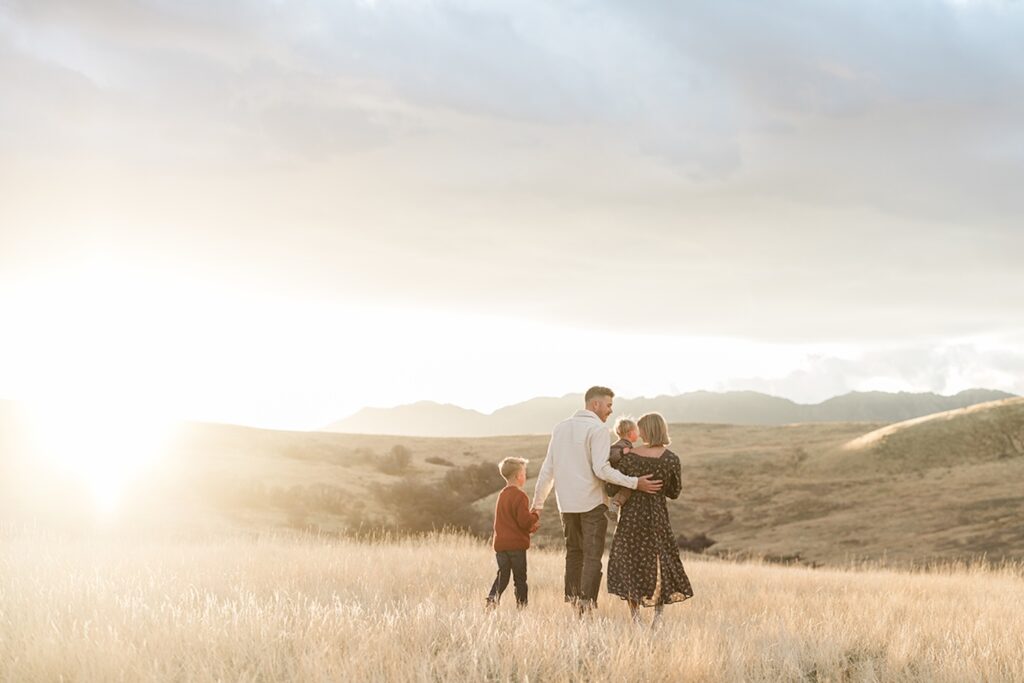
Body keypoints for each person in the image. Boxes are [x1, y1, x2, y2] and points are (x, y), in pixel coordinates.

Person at [532, 386, 663, 614]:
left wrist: (537, 504)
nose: (611, 411)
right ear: (596, 404)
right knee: (592, 557)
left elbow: (547, 469)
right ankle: (586, 605)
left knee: (574, 554)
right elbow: (601, 469)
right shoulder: (598, 429)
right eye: (609, 405)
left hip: (567, 505)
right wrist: (634, 482)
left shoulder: (560, 428)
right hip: (592, 503)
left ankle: (575, 605)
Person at [607, 412, 693, 627]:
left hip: (632, 517)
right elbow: (674, 492)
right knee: (661, 563)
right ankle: (658, 617)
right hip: (657, 518)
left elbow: (611, 488)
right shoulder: (671, 459)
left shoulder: (630, 457)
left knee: (631, 562)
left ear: (646, 430)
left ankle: (635, 618)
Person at [486, 457, 540, 609]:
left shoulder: (502, 494)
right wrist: (535, 516)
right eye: (524, 473)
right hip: (516, 545)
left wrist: (530, 527)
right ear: (518, 476)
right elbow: (524, 521)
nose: (525, 476)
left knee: (502, 575)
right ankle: (521, 607)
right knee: (520, 578)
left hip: (501, 545)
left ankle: (492, 599)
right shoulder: (520, 496)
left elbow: (509, 520)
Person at [605, 416, 639, 522]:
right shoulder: (620, 447)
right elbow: (612, 456)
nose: (638, 434)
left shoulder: (624, 445)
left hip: (615, 479)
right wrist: (621, 453)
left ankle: (615, 507)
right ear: (630, 433)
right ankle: (614, 506)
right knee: (627, 489)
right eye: (636, 431)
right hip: (618, 480)